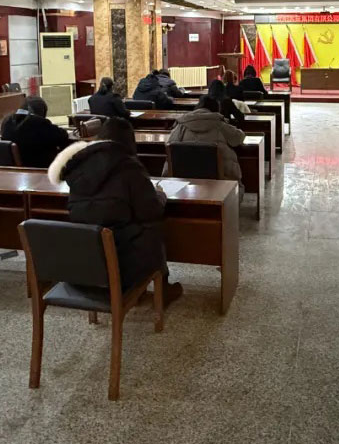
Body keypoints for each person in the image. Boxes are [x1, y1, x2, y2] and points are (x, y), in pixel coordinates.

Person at [48, 117, 182, 305]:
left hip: (84, 258)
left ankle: (141, 290)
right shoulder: (129, 166)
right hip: (123, 260)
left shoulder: (79, 165)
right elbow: (150, 210)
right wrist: (160, 195)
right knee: (152, 226)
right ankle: (162, 289)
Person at [167, 95, 246, 180]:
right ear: (216, 108)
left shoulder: (181, 125)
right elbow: (238, 138)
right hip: (220, 177)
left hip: (184, 177)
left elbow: (171, 145)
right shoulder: (219, 124)